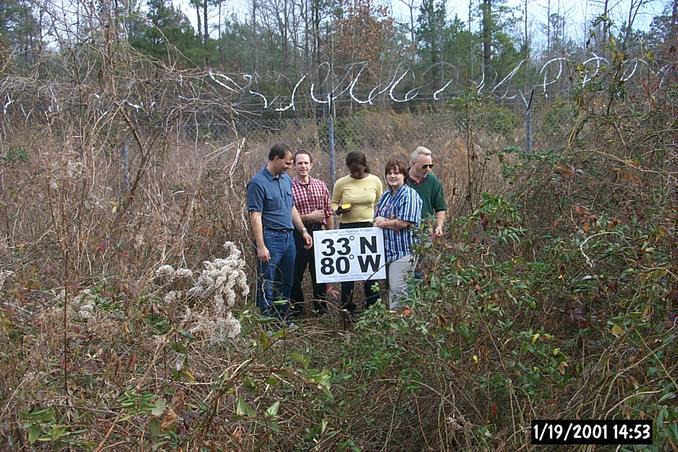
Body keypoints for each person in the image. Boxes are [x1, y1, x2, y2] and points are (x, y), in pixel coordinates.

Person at [247, 143, 313, 322]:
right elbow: (255, 216)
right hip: (270, 238)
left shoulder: (285, 180)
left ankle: (283, 319)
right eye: (287, 163)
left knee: (286, 283)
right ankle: (266, 323)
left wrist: (303, 230)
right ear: (275, 159)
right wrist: (261, 246)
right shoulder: (257, 183)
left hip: (289, 239)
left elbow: (291, 207)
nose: (289, 167)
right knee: (267, 283)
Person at [331, 151, 383, 316]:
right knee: (347, 272)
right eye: (352, 171)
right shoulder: (341, 183)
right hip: (347, 228)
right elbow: (333, 203)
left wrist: (377, 220)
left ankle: (373, 307)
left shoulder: (375, 181)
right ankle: (348, 308)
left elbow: (379, 203)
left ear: (364, 166)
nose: (355, 174)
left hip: (369, 227)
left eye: (358, 171)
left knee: (370, 270)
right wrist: (338, 210)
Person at [290, 150, 334, 316]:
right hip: (298, 235)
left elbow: (328, 213)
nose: (303, 166)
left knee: (319, 274)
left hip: (319, 234)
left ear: (311, 165)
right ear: (294, 166)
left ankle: (321, 310)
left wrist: (331, 236)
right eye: (299, 163)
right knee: (296, 275)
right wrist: (308, 217)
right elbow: (288, 214)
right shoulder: (289, 186)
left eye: (306, 163)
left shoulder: (320, 185)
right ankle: (297, 310)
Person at [374, 160, 423, 309]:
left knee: (398, 290)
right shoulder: (386, 195)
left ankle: (400, 325)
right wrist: (380, 220)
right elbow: (376, 217)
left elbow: (404, 222)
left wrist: (384, 223)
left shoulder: (409, 195)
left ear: (404, 175)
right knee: (396, 290)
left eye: (396, 173)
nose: (392, 176)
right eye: (389, 173)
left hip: (405, 251)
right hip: (389, 252)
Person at [407, 146, 447, 237]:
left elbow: (440, 208)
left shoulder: (433, 181)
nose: (428, 169)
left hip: (426, 233)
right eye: (424, 166)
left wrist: (439, 226)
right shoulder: (401, 180)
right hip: (404, 231)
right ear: (413, 164)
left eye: (430, 166)